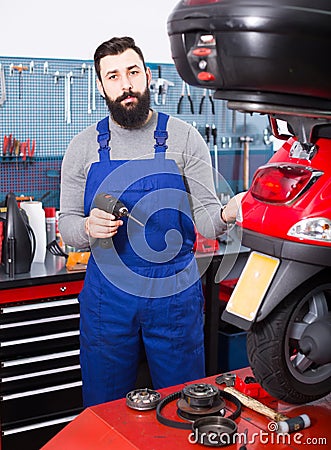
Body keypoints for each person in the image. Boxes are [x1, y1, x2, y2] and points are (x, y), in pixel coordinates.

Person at [58, 36, 245, 407]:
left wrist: (227, 213)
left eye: (132, 72)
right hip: (107, 299)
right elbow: (68, 228)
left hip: (174, 294)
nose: (125, 84)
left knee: (184, 404)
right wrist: (86, 229)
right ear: (101, 85)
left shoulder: (185, 138)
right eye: (113, 76)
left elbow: (207, 221)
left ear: (146, 75)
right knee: (104, 407)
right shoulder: (82, 148)